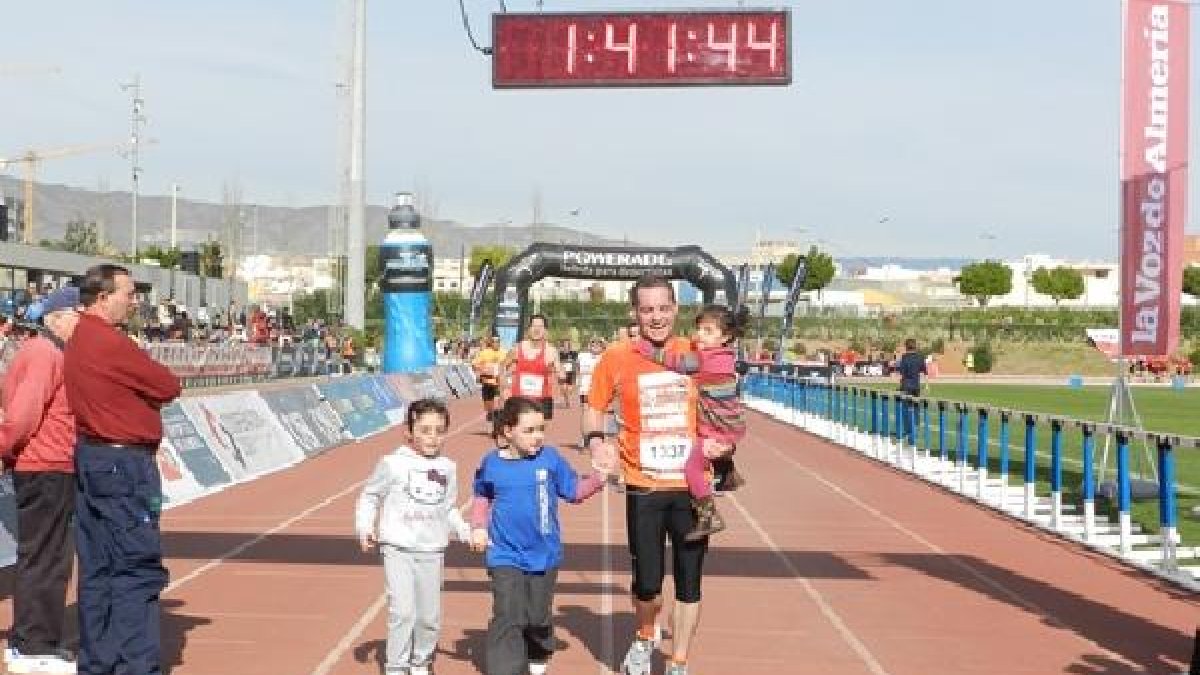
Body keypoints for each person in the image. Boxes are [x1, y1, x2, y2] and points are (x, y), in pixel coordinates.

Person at [582, 274, 733, 675]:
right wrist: (597, 442)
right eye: (647, 309)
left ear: (675, 310)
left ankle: (679, 661)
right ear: (635, 312)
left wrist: (725, 444)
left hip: (692, 488)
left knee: (689, 582)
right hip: (644, 487)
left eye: (663, 308)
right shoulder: (616, 356)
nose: (656, 317)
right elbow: (594, 407)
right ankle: (646, 633)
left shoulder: (694, 352)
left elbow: (727, 403)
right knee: (646, 583)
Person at [63, 264, 182, 675]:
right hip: (123, 464)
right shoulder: (110, 343)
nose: (134, 302)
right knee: (135, 566)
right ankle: (136, 664)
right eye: (128, 294)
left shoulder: (81, 339)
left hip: (95, 459)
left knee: (97, 568)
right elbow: (167, 385)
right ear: (102, 298)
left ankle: (98, 661)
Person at [469, 396, 614, 675]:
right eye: (529, 431)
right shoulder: (491, 464)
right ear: (508, 431)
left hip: (543, 554)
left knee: (536, 615)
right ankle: (506, 669)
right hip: (504, 553)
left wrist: (597, 479)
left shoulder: (550, 460)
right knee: (508, 613)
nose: (537, 437)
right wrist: (478, 526)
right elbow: (481, 494)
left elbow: (573, 491)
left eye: (541, 430)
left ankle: (539, 647)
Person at [355, 398, 472, 675]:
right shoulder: (392, 464)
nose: (432, 437)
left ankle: (420, 663)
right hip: (398, 548)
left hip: (432, 550)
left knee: (429, 617)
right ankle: (396, 667)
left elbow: (448, 507)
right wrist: (365, 527)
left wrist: (466, 531)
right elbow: (370, 496)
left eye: (439, 430)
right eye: (425, 430)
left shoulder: (448, 467)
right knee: (403, 612)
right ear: (409, 431)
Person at [0, 287, 83, 675]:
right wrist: (5, 451)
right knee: (44, 557)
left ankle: (35, 640)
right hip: (44, 467)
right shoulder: (43, 354)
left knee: (51, 556)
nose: (82, 322)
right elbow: (22, 415)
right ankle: (32, 646)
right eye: (76, 314)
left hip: (52, 465)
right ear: (56, 318)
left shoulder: (50, 353)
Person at [636, 304, 748, 540]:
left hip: (718, 428)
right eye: (699, 329)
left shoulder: (708, 361)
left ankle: (708, 514)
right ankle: (727, 471)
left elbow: (678, 363)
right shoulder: (725, 356)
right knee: (710, 449)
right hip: (727, 424)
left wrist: (648, 351)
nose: (700, 336)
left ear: (725, 336)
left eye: (708, 331)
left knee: (693, 468)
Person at [503, 315, 561, 421]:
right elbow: (502, 367)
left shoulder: (551, 351)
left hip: (542, 400)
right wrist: (504, 387)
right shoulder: (517, 348)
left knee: (538, 434)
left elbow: (560, 373)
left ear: (545, 330)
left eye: (540, 326)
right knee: (520, 431)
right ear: (529, 329)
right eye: (534, 326)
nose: (537, 329)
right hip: (520, 399)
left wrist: (561, 373)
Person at [473, 336, 507, 428]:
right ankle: (490, 423)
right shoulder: (484, 353)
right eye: (494, 341)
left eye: (498, 341)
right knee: (489, 407)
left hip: (499, 383)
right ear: (490, 343)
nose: (496, 343)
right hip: (487, 382)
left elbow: (509, 366)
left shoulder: (504, 353)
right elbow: (475, 365)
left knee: (500, 405)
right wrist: (482, 371)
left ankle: (499, 424)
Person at [575, 337, 605, 406]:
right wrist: (578, 379)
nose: (595, 346)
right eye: (593, 345)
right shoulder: (582, 356)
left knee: (597, 409)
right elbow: (577, 367)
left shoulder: (605, 356)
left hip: (599, 387)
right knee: (585, 407)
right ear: (590, 346)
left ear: (602, 347)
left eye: (598, 345)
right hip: (585, 386)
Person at [556, 340, 578, 409]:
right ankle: (567, 401)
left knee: (569, 389)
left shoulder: (574, 353)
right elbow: (557, 363)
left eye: (567, 345)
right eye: (564, 345)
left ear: (569, 346)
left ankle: (568, 399)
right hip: (562, 373)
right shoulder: (559, 354)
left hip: (571, 373)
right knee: (563, 388)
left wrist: (575, 371)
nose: (566, 346)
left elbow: (576, 362)